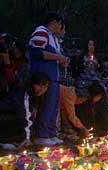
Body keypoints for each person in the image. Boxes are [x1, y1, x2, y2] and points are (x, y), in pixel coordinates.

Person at [28, 12, 69, 146]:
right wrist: (59, 58)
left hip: (54, 76)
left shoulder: (53, 38)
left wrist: (62, 61)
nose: (61, 27)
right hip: (44, 76)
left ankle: (51, 133)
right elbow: (36, 53)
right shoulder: (41, 32)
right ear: (55, 22)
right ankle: (41, 134)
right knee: (45, 105)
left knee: (53, 107)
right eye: (60, 24)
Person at [20, 72, 51, 147]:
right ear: (32, 84)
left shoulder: (39, 98)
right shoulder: (24, 95)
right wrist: (27, 138)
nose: (42, 89)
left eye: (45, 86)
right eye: (39, 85)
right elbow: (25, 117)